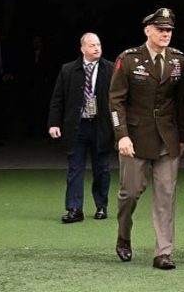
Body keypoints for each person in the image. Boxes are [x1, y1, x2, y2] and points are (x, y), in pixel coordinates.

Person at [109, 8, 184, 270]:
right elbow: (115, 101)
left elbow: (182, 103)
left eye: (169, 30)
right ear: (148, 31)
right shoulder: (129, 59)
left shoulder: (178, 60)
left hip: (167, 138)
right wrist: (121, 135)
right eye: (161, 30)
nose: (166, 34)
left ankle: (163, 252)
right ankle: (124, 236)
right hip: (135, 137)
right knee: (130, 193)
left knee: (166, 194)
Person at [48, 33, 113, 224]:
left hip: (101, 126)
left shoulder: (110, 68)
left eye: (99, 44)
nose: (96, 48)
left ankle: (101, 206)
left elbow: (119, 99)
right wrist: (54, 123)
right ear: (82, 48)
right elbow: (57, 99)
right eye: (92, 45)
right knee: (75, 168)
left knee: (102, 168)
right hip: (77, 126)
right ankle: (74, 209)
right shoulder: (68, 70)